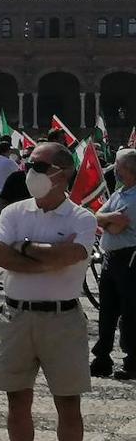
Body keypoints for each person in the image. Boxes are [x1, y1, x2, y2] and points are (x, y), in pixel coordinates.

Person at [0, 142, 96, 441]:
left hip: (63, 318)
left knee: (68, 401)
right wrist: (46, 258)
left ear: (61, 174)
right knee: (17, 398)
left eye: (37, 165)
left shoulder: (81, 218)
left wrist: (25, 249)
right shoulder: (16, 210)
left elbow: (72, 256)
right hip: (16, 317)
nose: (29, 171)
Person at [92, 148, 136, 380]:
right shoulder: (120, 193)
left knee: (130, 312)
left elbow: (119, 225)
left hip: (130, 259)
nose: (114, 171)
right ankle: (102, 357)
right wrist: (108, 219)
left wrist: (106, 220)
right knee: (106, 310)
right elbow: (97, 217)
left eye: (117, 167)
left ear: (127, 169)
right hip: (111, 257)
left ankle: (132, 360)